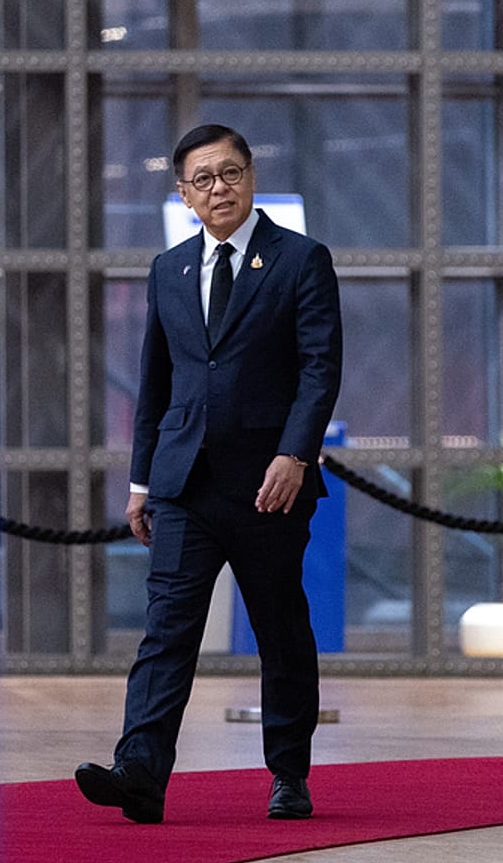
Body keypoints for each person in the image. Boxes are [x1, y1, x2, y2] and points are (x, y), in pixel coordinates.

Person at [76, 124, 342, 823]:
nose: (218, 188)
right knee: (166, 630)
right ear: (183, 193)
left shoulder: (301, 260)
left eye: (229, 173)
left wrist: (296, 454)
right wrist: (141, 482)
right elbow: (153, 387)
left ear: (251, 175)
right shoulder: (169, 269)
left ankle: (289, 774)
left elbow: (320, 370)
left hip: (269, 487)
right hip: (183, 484)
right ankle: (140, 772)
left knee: (279, 630)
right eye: (203, 179)